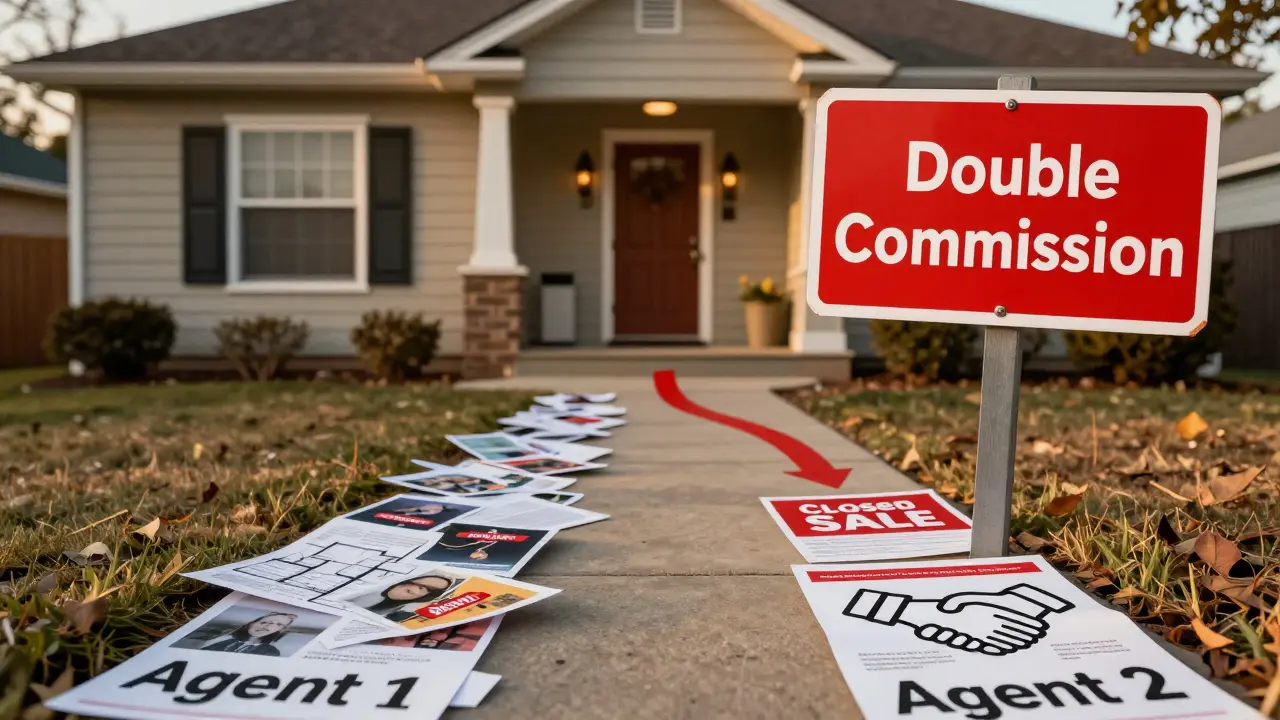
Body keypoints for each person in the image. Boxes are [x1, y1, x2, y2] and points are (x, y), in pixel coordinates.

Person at [364, 575, 456, 622]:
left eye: (429, 589)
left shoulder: (390, 612)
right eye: (421, 583)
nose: (420, 588)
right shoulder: (372, 587)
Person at [200, 612, 297, 656]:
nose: (268, 626)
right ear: (251, 622)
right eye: (264, 622)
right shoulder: (224, 640)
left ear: (280, 630)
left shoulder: (270, 651)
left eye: (279, 625)